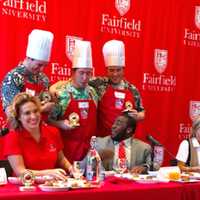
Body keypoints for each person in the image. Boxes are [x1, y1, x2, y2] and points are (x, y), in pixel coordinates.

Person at [49, 40, 98, 163]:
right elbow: (47, 121)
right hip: (65, 152)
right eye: (81, 73)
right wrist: (60, 124)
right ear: (72, 72)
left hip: (89, 152)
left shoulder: (93, 92)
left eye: (88, 73)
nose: (85, 77)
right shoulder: (61, 92)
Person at [3, 93, 72, 180]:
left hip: (51, 185)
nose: (33, 116)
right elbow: (20, 172)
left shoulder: (53, 132)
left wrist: (71, 168)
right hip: (25, 188)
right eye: (27, 113)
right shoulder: (12, 138)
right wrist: (48, 173)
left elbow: (61, 159)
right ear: (19, 117)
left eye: (35, 111)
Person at [89, 39, 145, 137]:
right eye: (111, 70)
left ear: (123, 69)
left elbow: (142, 112)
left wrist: (138, 116)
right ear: (106, 70)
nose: (115, 74)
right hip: (103, 139)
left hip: (125, 140)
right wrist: (55, 87)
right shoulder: (98, 83)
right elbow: (78, 80)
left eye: (118, 70)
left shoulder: (132, 89)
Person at [1, 29, 55, 117]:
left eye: (45, 65)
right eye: (39, 64)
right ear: (29, 58)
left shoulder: (43, 79)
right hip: (19, 129)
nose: (41, 69)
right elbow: (11, 113)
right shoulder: (13, 77)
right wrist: (41, 109)